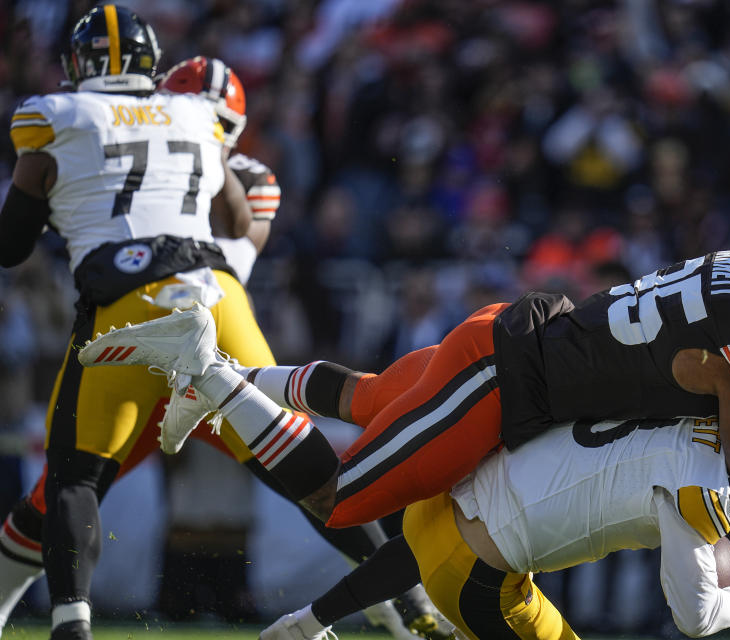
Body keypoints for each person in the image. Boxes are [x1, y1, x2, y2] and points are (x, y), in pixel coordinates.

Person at [0, 41, 449, 640]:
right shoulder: (211, 161)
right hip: (198, 339)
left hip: (178, 341)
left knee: (70, 483)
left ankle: (403, 602)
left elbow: (225, 263)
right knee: (303, 471)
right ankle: (407, 598)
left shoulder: (231, 171)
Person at [78, 206, 730, 533]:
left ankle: (224, 383)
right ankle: (207, 370)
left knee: (372, 395)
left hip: (518, 329)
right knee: (340, 501)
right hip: (503, 383)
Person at [258, 359, 730, 639]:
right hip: (480, 579)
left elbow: (713, 455)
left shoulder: (670, 394)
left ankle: (304, 624)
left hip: (446, 494)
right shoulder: (703, 491)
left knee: (374, 397)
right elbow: (696, 618)